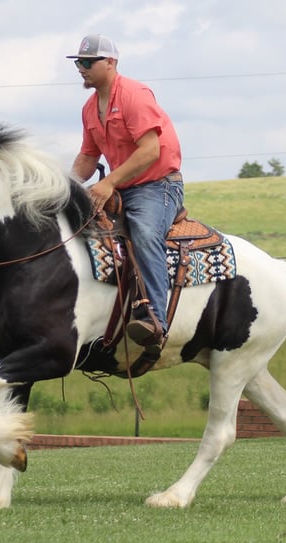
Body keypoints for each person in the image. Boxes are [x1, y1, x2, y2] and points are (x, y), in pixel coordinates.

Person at [67, 34, 185, 352]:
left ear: (110, 62)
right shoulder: (90, 108)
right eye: (79, 62)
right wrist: (61, 187)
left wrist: (108, 183)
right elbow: (89, 159)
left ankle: (155, 320)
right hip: (122, 187)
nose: (81, 68)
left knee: (145, 233)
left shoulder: (134, 94)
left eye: (88, 62)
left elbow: (150, 151)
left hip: (158, 186)